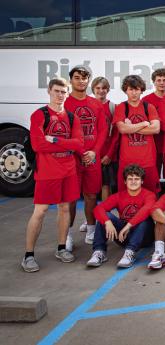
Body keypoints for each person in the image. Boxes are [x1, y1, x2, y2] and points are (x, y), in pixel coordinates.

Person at [22, 78, 84, 272]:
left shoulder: (72, 117)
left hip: (68, 170)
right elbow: (38, 145)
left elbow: (79, 144)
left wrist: (55, 139)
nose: (60, 95)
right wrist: (66, 143)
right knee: (40, 212)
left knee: (65, 209)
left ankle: (61, 248)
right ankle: (28, 255)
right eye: (57, 91)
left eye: (63, 92)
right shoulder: (39, 115)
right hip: (48, 172)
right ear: (49, 91)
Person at [64, 66, 107, 246]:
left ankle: (91, 229)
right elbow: (63, 134)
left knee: (90, 196)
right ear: (71, 80)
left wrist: (94, 152)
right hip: (72, 158)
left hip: (92, 158)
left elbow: (103, 130)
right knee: (71, 198)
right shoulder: (65, 103)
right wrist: (80, 152)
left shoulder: (96, 103)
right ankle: (66, 235)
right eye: (77, 77)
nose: (81, 81)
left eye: (84, 78)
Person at [87, 164, 156, 268]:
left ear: (142, 181)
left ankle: (130, 253)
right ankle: (99, 252)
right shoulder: (119, 196)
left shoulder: (149, 195)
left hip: (144, 237)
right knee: (105, 216)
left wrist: (128, 225)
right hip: (123, 236)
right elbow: (98, 209)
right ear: (125, 181)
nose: (133, 181)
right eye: (130, 179)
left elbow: (146, 210)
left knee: (145, 218)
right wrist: (107, 222)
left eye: (137, 179)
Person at [113, 75, 161, 193]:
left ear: (141, 90)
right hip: (127, 161)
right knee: (125, 195)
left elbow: (155, 129)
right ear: (126, 90)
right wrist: (144, 123)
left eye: (137, 89)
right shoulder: (121, 107)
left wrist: (131, 127)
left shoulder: (148, 107)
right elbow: (122, 129)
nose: (134, 93)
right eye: (131, 89)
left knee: (151, 195)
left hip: (147, 160)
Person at [91, 76, 119, 201]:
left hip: (107, 154)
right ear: (93, 89)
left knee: (106, 185)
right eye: (98, 88)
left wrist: (109, 154)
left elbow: (116, 134)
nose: (101, 91)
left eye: (104, 88)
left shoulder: (113, 107)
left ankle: (106, 217)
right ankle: (90, 219)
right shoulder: (88, 106)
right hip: (92, 153)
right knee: (90, 189)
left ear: (108, 90)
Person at [142, 68, 165, 178]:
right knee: (153, 176)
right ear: (153, 81)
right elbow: (144, 122)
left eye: (164, 80)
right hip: (152, 143)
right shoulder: (146, 100)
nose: (162, 83)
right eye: (159, 80)